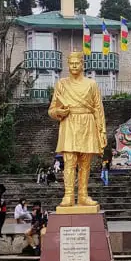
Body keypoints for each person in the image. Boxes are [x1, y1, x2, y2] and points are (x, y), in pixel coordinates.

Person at [48, 51, 107, 207]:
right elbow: (52, 109)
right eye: (71, 63)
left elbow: (98, 109)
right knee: (69, 161)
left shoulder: (91, 84)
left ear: (82, 64)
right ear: (68, 65)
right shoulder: (61, 84)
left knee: (85, 163)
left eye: (77, 63)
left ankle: (83, 195)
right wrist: (59, 112)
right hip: (69, 123)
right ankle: (68, 195)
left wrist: (102, 131)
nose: (74, 66)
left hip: (87, 122)